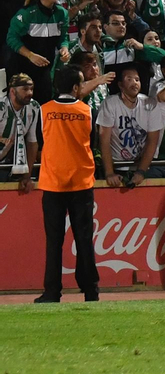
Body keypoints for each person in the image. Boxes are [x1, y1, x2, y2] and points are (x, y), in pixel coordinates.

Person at [35, 66, 99, 303]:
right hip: (81, 183)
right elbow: (92, 143)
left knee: (54, 241)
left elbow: (40, 141)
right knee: (84, 239)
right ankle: (90, 290)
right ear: (75, 87)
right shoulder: (88, 111)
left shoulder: (44, 111)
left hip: (53, 183)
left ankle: (52, 291)